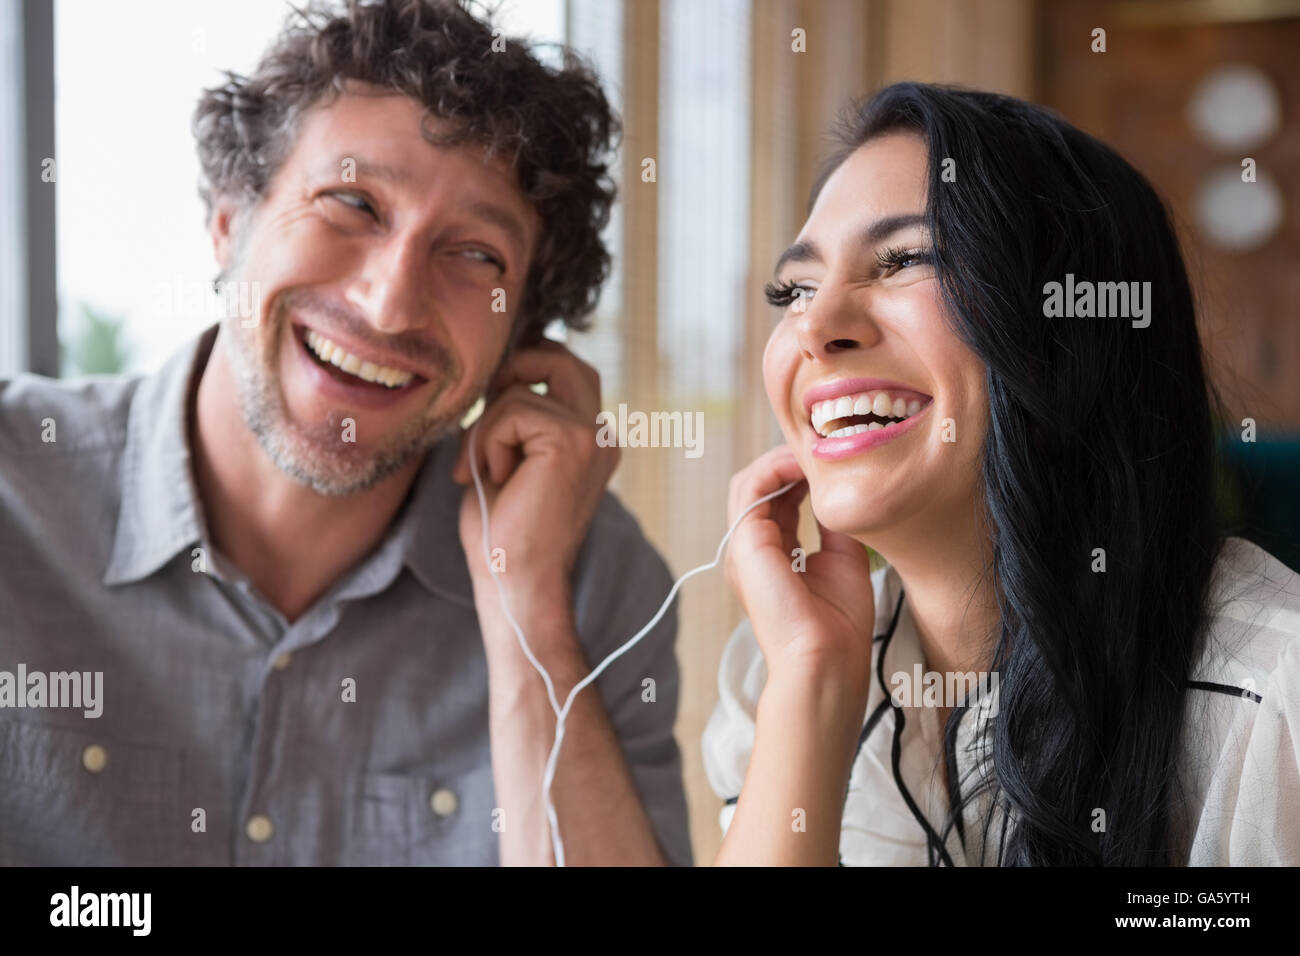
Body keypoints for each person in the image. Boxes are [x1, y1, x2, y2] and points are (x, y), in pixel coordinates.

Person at [0, 0, 690, 867]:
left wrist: (529, 620)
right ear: (228, 222)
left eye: (476, 255)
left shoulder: (594, 584)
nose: (390, 302)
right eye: (351, 202)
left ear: (521, 343)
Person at [704, 82, 1300, 866]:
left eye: (908, 258)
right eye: (796, 289)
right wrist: (810, 684)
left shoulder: (1276, 694)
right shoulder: (775, 668)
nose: (815, 327)